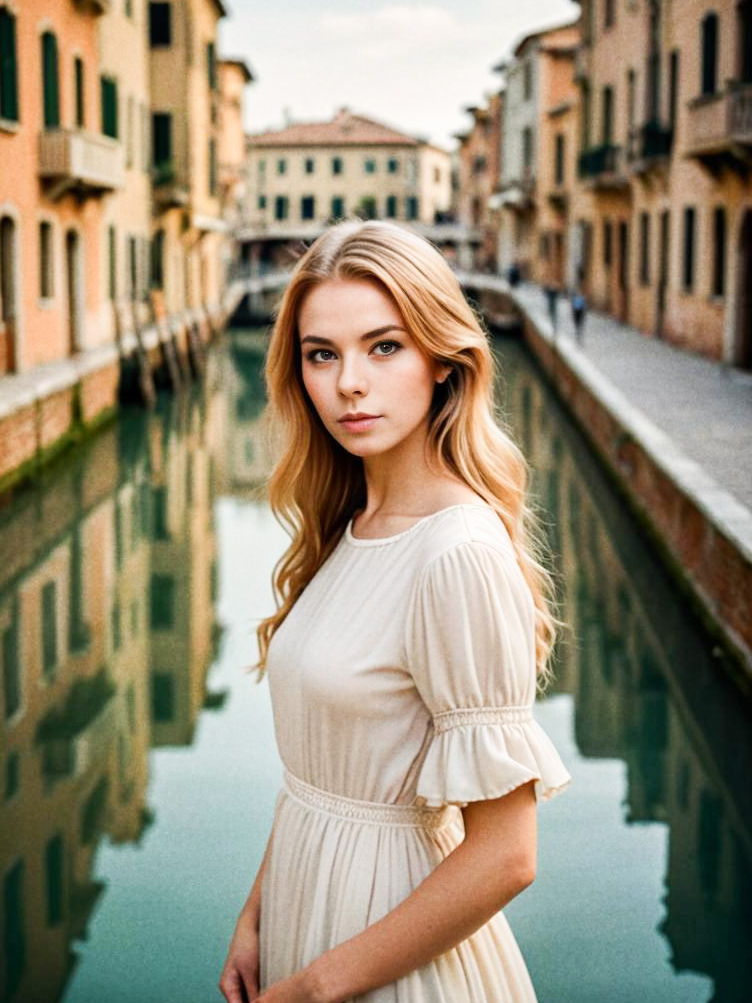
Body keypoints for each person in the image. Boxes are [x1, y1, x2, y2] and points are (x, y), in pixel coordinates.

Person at [219, 220, 571, 1003]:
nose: (349, 382)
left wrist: (316, 985)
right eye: (323, 353)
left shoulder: (456, 552)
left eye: (384, 347)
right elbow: (320, 772)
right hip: (308, 923)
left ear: (443, 361)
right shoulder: (351, 525)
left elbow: (508, 854)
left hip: (393, 962)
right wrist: (256, 915)